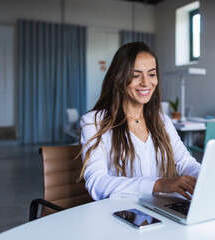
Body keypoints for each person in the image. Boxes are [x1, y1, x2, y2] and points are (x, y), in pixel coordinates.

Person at [80, 41, 201, 200]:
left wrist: (203, 176)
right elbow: (97, 183)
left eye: (151, 74)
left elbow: (186, 163)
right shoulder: (94, 122)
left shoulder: (162, 121)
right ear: (119, 78)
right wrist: (158, 184)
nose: (146, 83)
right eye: (136, 75)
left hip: (159, 210)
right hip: (119, 213)